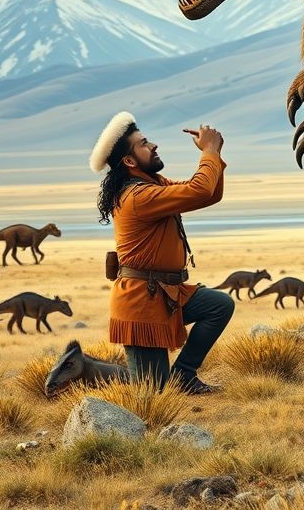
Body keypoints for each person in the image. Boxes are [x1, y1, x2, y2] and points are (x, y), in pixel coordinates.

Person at [90, 111, 234, 394]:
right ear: (129, 161)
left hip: (167, 293)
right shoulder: (138, 197)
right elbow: (199, 189)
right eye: (144, 144)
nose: (153, 145)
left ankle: (185, 376)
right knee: (153, 394)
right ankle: (85, 375)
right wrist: (209, 151)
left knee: (219, 305)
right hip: (142, 305)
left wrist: (215, 154)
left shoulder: (154, 185)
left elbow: (209, 193)